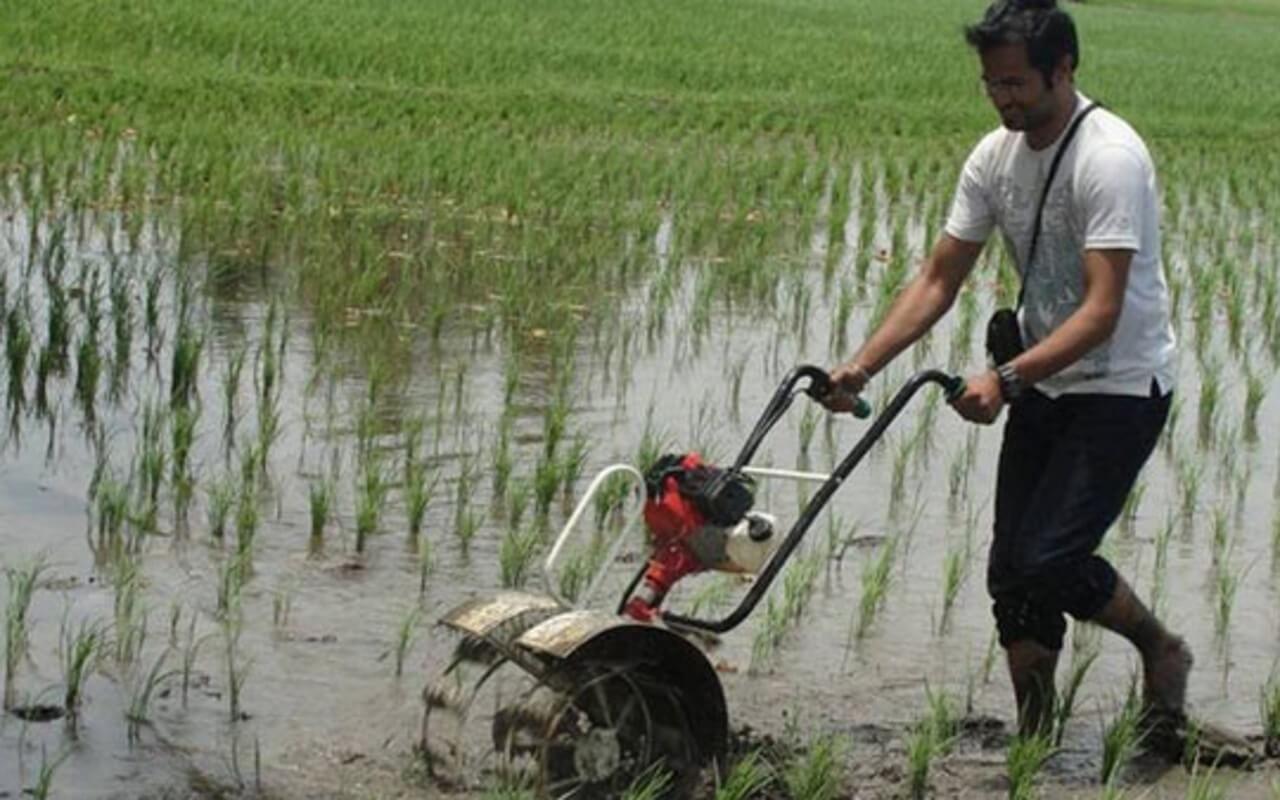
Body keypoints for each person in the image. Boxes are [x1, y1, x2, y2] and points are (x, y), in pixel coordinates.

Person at [822, 0, 1191, 740]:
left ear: (1064, 69)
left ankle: (1162, 651)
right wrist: (860, 367)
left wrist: (1006, 380)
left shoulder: (1108, 158)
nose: (1004, 98)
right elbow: (937, 277)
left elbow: (1101, 311)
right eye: (992, 83)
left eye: (1018, 83)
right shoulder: (994, 157)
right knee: (1011, 575)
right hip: (1044, 380)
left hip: (1119, 386)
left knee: (1048, 558)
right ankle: (1035, 735)